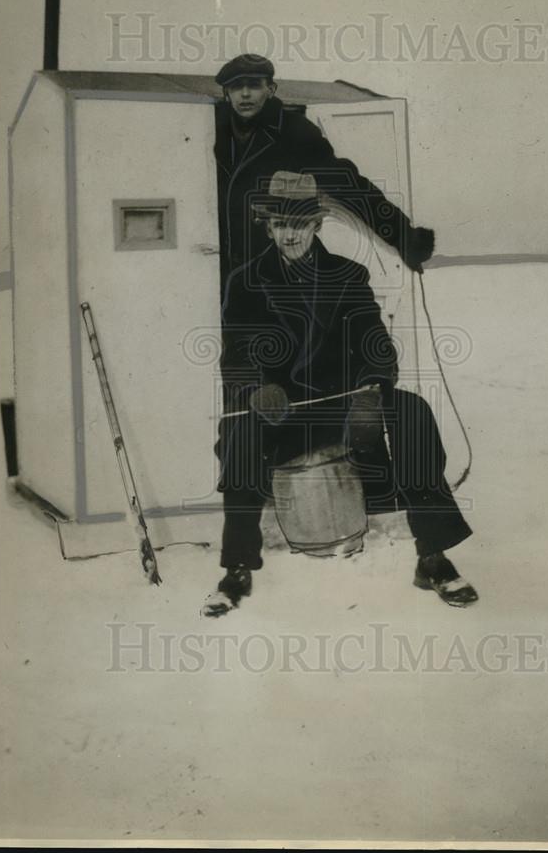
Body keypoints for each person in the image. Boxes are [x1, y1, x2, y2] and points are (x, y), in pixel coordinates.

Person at [202, 171, 477, 618]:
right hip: (280, 409)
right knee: (238, 431)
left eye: (300, 224)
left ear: (316, 226)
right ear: (268, 227)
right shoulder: (244, 281)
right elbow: (236, 354)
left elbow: (375, 341)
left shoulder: (348, 275)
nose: (290, 234)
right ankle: (237, 567)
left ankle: (432, 556)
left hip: (344, 405)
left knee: (412, 410)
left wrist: (372, 389)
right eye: (280, 224)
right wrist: (257, 388)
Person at [213, 54, 436, 286]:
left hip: (273, 258)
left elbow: (347, 184)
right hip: (218, 258)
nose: (245, 93)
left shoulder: (293, 131)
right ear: (226, 93)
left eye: (254, 85)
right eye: (237, 86)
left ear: (271, 89)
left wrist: (404, 237)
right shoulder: (209, 128)